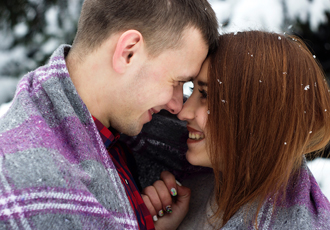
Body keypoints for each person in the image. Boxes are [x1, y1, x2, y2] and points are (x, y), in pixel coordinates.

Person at [0, 0, 219, 229]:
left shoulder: (111, 137)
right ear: (128, 52)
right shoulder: (22, 185)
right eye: (178, 81)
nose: (177, 106)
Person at [141, 31, 330, 229]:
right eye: (193, 91)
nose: (183, 112)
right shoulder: (191, 190)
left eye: (205, 94)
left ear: (256, 115)